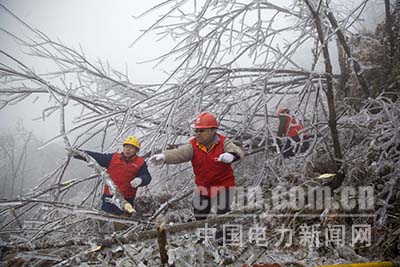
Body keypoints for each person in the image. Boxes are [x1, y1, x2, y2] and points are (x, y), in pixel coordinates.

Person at [149, 112, 244, 221]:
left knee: (222, 216)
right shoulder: (193, 145)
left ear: (213, 131)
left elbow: (237, 151)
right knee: (199, 215)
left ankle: (223, 237)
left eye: (202, 131)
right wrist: (165, 156)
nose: (198, 134)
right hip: (203, 187)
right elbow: (180, 153)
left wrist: (232, 155)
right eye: (196, 131)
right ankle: (203, 237)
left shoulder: (223, 142)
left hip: (224, 186)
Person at [71, 135, 152, 216]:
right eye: (126, 147)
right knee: (105, 220)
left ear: (136, 151)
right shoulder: (113, 158)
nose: (128, 150)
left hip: (126, 199)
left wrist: (140, 180)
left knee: (122, 223)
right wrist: (78, 153)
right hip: (108, 196)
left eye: (131, 148)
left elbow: (147, 177)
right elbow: (96, 156)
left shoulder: (140, 163)